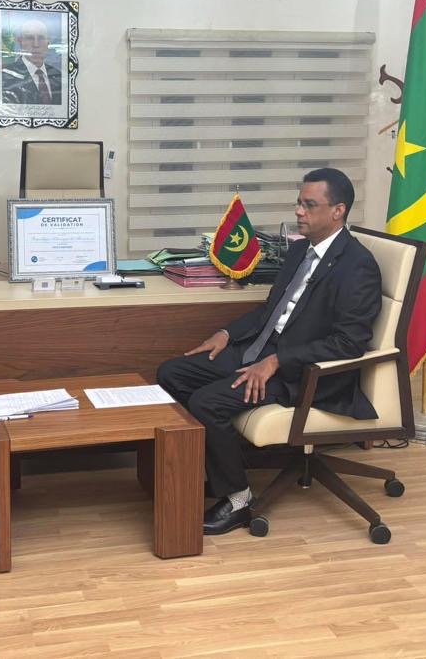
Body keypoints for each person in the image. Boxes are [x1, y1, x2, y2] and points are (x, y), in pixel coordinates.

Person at [156, 168, 382, 536]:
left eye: (309, 205)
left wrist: (278, 361)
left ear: (338, 211)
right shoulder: (300, 250)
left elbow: (349, 342)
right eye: (299, 203)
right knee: (171, 374)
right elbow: (270, 311)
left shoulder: (358, 266)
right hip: (262, 350)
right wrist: (227, 333)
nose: (298, 211)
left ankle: (239, 498)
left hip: (304, 372)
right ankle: (215, 471)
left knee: (207, 403)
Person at [1, 17, 63, 105]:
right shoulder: (5, 77)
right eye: (30, 38)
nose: (36, 44)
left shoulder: (59, 77)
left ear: (48, 43)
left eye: (41, 38)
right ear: (20, 42)